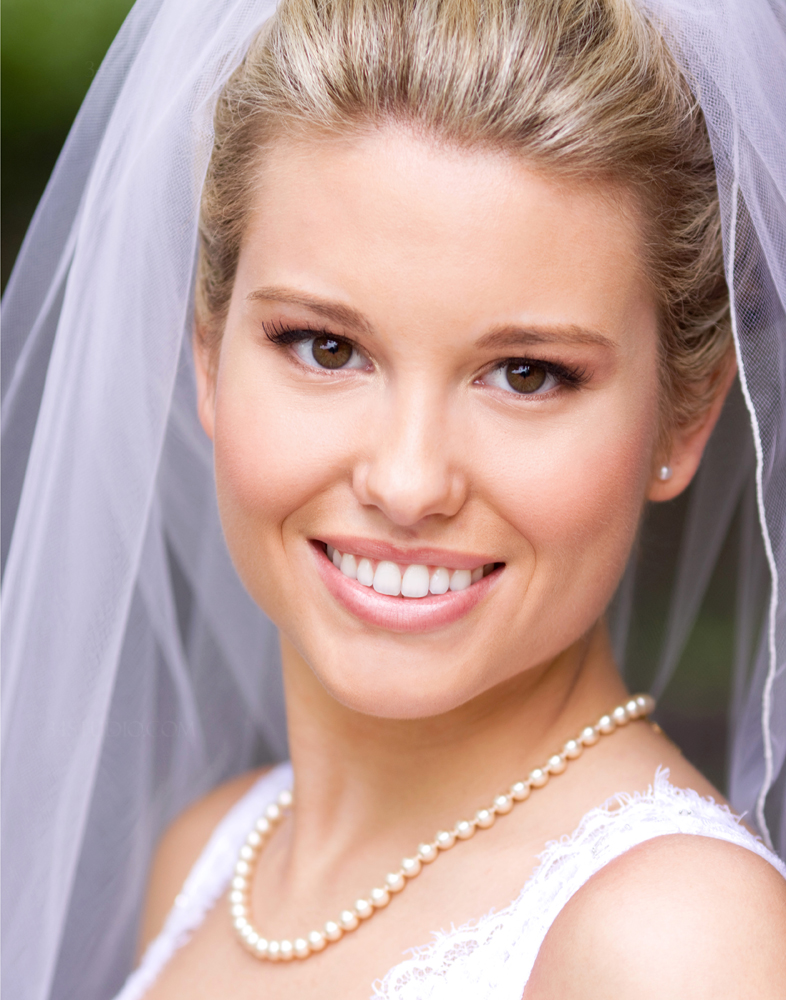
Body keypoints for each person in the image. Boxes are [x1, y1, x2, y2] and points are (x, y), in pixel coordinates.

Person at [2, 0, 786, 998]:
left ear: (684, 416)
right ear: (207, 350)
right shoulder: (211, 860)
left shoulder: (676, 944)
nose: (409, 482)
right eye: (326, 348)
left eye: (528, 374)